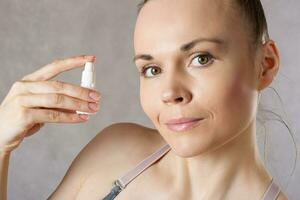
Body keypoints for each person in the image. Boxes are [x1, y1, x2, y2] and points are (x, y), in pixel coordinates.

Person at [0, 0, 291, 199]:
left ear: (265, 64)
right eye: (152, 69)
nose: (169, 92)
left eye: (200, 58)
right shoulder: (113, 152)